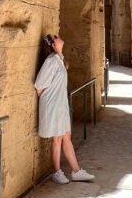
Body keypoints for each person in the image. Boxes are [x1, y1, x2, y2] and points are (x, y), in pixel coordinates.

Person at [34, 34, 95, 184]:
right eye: (55, 37)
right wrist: (50, 98)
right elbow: (39, 86)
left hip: (60, 103)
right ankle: (57, 172)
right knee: (58, 138)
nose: (58, 36)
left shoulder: (60, 60)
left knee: (66, 136)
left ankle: (76, 171)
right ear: (54, 45)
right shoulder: (51, 62)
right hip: (53, 104)